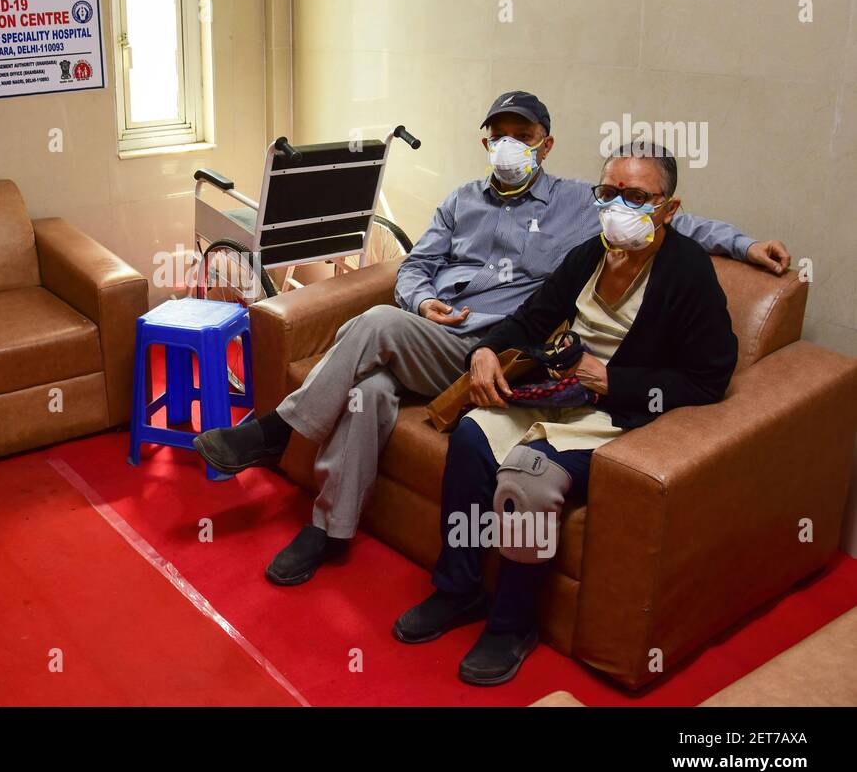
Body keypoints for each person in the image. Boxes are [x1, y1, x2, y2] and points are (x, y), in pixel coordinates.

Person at [192, 91, 788, 586]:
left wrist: (745, 245)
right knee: (368, 390)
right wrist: (422, 299)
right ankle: (328, 530)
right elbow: (413, 266)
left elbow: (668, 217)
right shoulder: (460, 202)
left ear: (545, 144)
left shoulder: (586, 204)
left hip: (494, 346)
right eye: (497, 135)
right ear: (485, 143)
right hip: (435, 334)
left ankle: (275, 432)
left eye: (521, 135)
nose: (508, 146)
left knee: (372, 326)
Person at [393, 141, 737, 685]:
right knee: (472, 436)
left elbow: (710, 378)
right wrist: (483, 350)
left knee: (527, 478)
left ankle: (512, 624)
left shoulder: (687, 272)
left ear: (668, 208)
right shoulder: (589, 255)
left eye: (636, 197)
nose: (619, 207)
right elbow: (530, 320)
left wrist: (616, 380)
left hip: (616, 414)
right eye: (608, 193)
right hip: (555, 394)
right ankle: (458, 589)